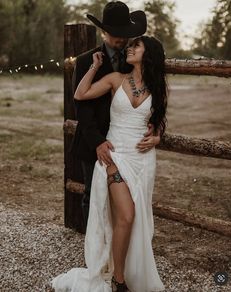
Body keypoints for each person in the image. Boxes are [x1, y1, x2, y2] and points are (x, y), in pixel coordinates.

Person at [51, 35, 167, 292]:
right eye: (130, 45)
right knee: (125, 216)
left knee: (135, 220)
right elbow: (80, 94)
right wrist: (93, 66)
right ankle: (119, 280)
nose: (130, 48)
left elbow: (158, 120)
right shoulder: (116, 79)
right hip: (114, 156)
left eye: (136, 46)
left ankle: (125, 272)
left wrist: (157, 137)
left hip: (143, 160)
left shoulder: (157, 87)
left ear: (149, 55)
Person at [70, 1, 156, 229]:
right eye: (116, 34)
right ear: (104, 32)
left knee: (126, 195)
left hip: (124, 142)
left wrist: (155, 129)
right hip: (94, 140)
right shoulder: (85, 61)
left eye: (124, 34)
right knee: (93, 193)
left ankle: (119, 245)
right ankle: (94, 246)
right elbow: (82, 107)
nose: (122, 39)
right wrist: (97, 142)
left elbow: (151, 98)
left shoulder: (132, 60)